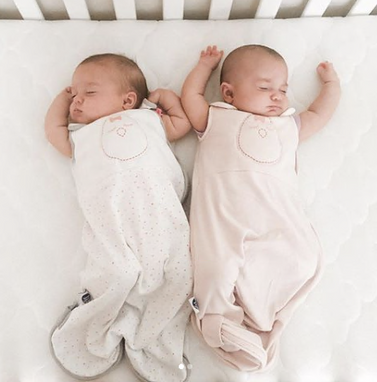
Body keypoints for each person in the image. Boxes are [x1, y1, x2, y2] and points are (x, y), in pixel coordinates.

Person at [181, 45, 341, 372]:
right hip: (223, 216)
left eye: (283, 89)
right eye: (265, 88)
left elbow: (318, 115)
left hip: (275, 213)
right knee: (216, 266)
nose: (278, 97)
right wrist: (204, 66)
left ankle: (269, 323)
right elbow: (191, 97)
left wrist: (331, 87)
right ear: (228, 92)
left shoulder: (288, 126)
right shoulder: (216, 117)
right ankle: (217, 321)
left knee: (304, 258)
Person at [45, 53, 193, 382]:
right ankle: (92, 330)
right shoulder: (80, 136)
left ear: (128, 100)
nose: (77, 100)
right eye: (75, 94)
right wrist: (61, 99)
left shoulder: (151, 120)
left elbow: (181, 123)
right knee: (117, 271)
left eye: (89, 93)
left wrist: (167, 98)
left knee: (178, 274)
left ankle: (153, 340)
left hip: (159, 214)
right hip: (110, 219)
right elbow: (53, 131)